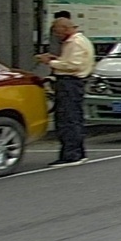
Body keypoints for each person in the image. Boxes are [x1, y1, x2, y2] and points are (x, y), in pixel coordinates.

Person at [35, 17, 94, 164]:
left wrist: (51, 62)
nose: (56, 35)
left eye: (57, 31)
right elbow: (71, 61)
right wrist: (57, 59)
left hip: (70, 83)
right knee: (73, 118)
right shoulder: (76, 41)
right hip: (71, 83)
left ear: (66, 29)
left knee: (68, 119)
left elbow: (73, 65)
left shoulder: (75, 42)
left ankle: (71, 154)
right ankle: (78, 152)